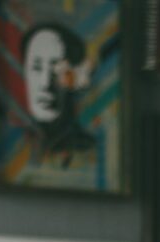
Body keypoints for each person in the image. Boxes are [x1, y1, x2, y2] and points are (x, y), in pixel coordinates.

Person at [20, 23, 95, 158]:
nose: (44, 82)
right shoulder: (24, 143)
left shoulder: (84, 146)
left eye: (56, 70)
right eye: (36, 67)